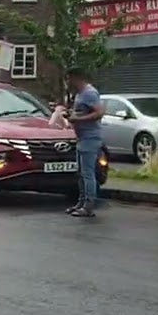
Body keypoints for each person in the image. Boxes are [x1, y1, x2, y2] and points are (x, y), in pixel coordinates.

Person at [63, 68, 104, 218]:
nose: (67, 82)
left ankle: (89, 206)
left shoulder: (89, 93)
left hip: (90, 137)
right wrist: (70, 115)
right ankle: (80, 203)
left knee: (87, 173)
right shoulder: (79, 94)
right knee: (80, 173)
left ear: (76, 78)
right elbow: (82, 112)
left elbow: (99, 113)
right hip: (81, 137)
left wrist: (78, 119)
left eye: (69, 79)